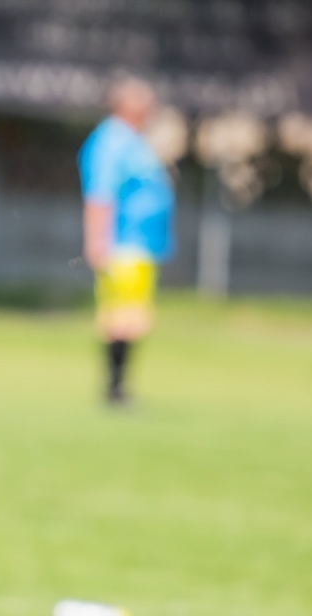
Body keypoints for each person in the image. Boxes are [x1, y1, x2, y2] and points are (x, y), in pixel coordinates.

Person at [78, 75, 173, 407]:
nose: (150, 105)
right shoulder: (110, 141)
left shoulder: (132, 140)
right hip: (123, 244)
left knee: (131, 316)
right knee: (123, 316)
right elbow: (99, 196)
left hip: (140, 244)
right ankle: (115, 389)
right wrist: (96, 241)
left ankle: (119, 387)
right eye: (142, 98)